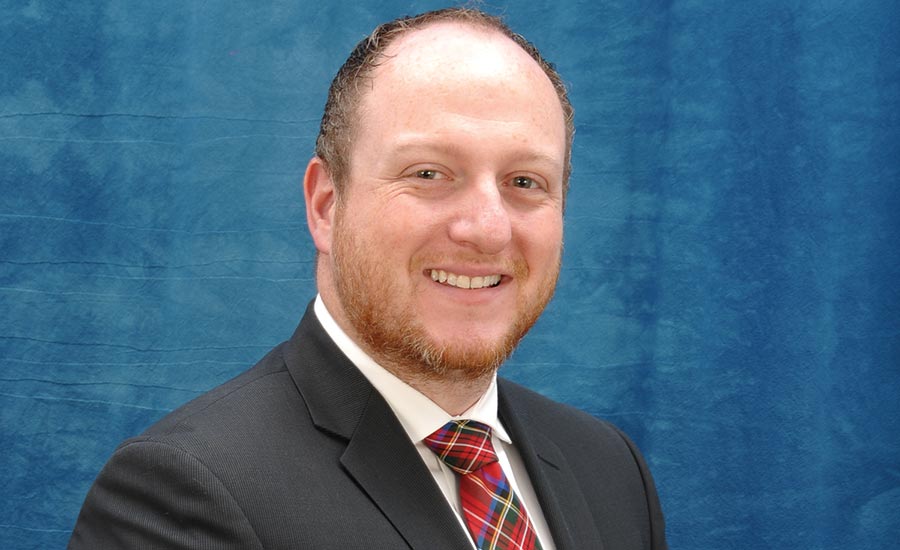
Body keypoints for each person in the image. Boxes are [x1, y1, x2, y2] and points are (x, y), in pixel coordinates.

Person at [69, 7, 667, 550]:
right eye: (429, 173)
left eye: (525, 182)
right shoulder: (186, 491)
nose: (488, 229)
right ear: (326, 206)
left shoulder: (611, 470)